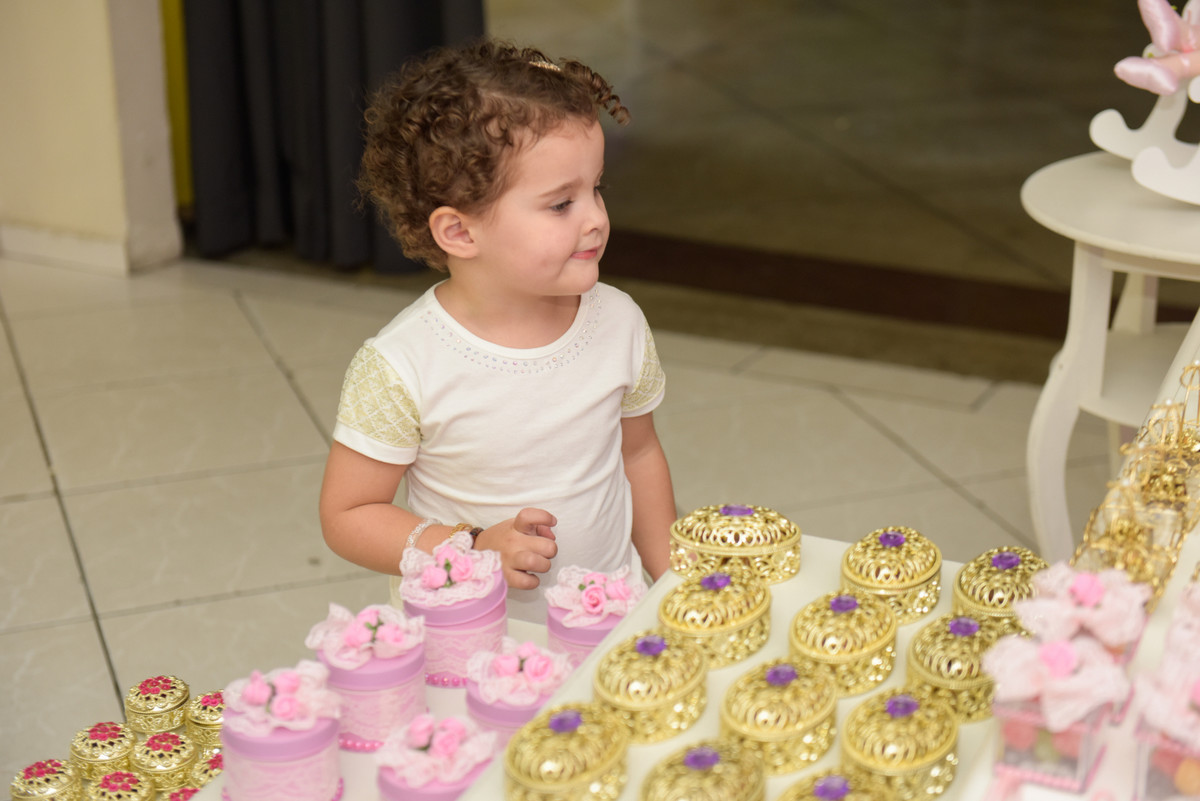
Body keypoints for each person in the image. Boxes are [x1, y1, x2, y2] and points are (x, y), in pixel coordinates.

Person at [318, 38, 677, 621]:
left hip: (610, 622)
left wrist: (671, 583)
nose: (596, 219)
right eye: (561, 204)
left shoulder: (619, 321)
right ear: (459, 233)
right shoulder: (403, 365)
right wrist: (470, 548)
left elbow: (638, 456)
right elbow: (349, 515)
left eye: (597, 189)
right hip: (466, 640)